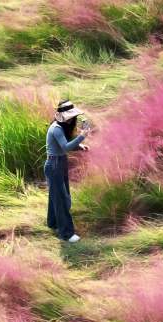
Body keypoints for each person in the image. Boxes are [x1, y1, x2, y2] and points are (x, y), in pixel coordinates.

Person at [45, 100, 91, 243]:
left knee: (56, 197)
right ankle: (67, 234)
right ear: (62, 116)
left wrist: (80, 146)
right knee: (62, 199)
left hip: (58, 164)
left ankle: (53, 223)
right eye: (70, 117)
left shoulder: (60, 127)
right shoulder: (57, 128)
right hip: (54, 165)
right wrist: (82, 136)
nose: (72, 119)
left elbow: (63, 146)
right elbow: (65, 147)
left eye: (72, 117)